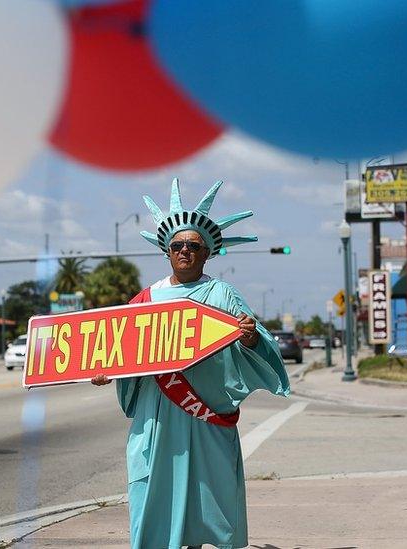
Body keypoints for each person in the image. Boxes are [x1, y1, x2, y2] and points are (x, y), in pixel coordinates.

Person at [91, 178, 289, 549]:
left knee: (207, 496)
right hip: (157, 414)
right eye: (177, 245)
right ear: (166, 251)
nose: (185, 251)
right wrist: (106, 371)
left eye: (193, 246)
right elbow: (119, 350)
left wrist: (248, 337)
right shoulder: (144, 300)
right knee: (152, 490)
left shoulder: (221, 294)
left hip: (204, 414)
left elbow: (257, 342)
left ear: (208, 253)